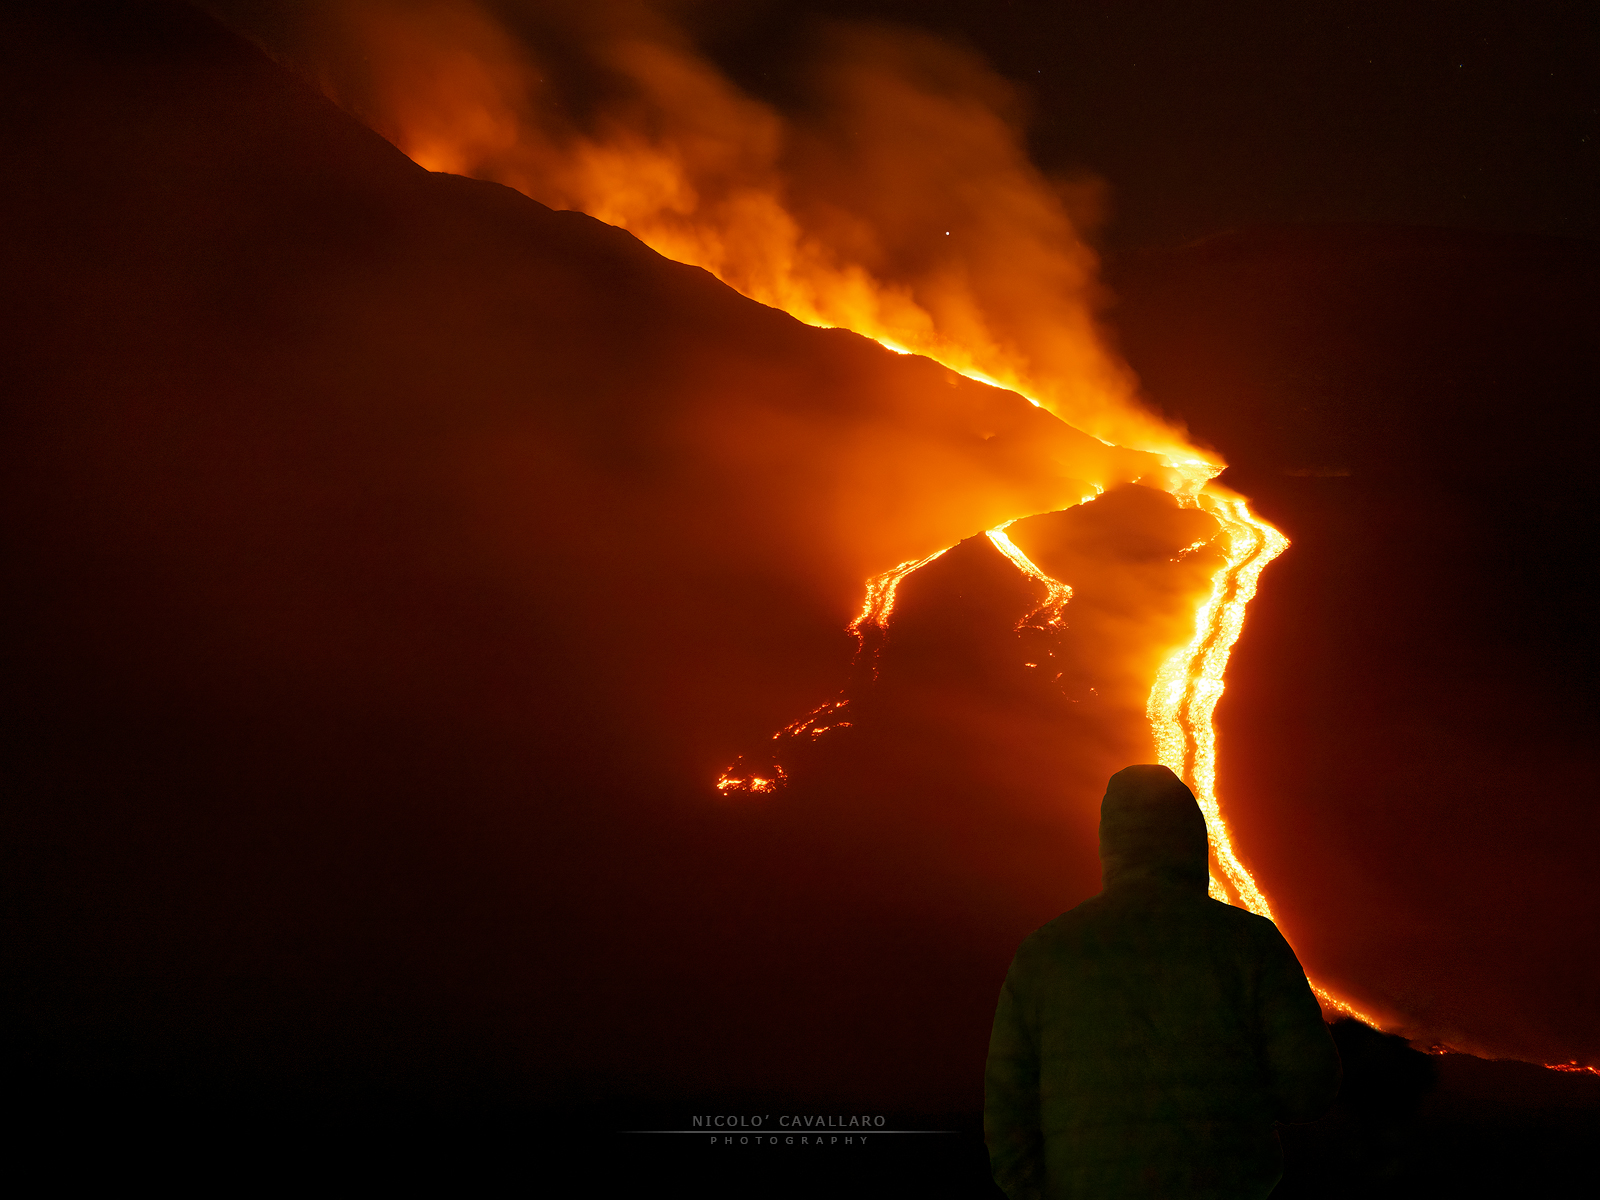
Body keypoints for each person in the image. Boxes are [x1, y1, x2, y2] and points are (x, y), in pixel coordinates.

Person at [984, 764, 1341, 1199]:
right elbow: (1309, 1089)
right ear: (1194, 840)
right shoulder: (1249, 943)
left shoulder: (1045, 953)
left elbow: (1007, 1111)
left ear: (1109, 845)